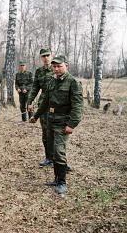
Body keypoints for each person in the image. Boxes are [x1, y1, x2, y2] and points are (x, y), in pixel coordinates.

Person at [29, 55, 83, 194]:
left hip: (63, 122)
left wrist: (72, 124)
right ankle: (56, 178)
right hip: (51, 121)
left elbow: (78, 106)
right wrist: (36, 116)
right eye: (55, 67)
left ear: (66, 66)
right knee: (52, 150)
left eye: (60, 66)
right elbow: (45, 102)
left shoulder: (73, 82)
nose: (57, 69)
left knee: (59, 152)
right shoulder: (52, 81)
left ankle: (62, 182)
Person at [27, 48, 54, 167]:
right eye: (43, 56)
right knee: (45, 132)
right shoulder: (39, 71)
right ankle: (49, 158)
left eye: (48, 55)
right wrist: (30, 101)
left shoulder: (57, 68)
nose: (46, 58)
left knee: (57, 132)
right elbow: (35, 88)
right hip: (44, 105)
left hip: (57, 105)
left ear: (51, 56)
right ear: (41, 58)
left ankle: (58, 159)